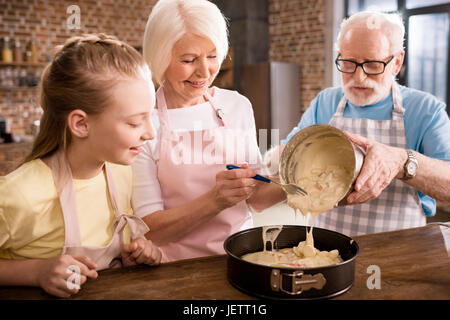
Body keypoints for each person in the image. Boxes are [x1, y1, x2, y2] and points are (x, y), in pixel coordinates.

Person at [0, 34, 164, 298]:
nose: (150, 133)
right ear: (81, 124)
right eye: (135, 123)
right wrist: (36, 272)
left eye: (150, 117)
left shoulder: (122, 172)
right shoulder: (20, 195)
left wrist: (137, 253)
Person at [132, 0, 284, 262]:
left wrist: (300, 181)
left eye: (212, 56)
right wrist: (214, 201)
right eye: (189, 60)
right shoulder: (144, 121)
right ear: (160, 57)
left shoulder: (237, 105)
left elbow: (256, 196)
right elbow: (151, 231)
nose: (204, 72)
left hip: (242, 257)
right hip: (174, 268)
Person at [279, 11, 450, 236]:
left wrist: (401, 162)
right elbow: (287, 158)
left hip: (399, 253)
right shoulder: (326, 102)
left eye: (372, 64)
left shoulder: (425, 110)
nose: (359, 77)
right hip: (326, 251)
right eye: (349, 63)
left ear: (396, 62)